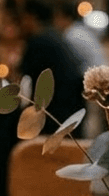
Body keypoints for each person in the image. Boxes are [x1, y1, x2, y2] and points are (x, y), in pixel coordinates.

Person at [17, 0, 85, 129]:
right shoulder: (56, 36)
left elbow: (23, 81)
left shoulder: (38, 41)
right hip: (71, 111)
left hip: (55, 115)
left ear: (31, 17)